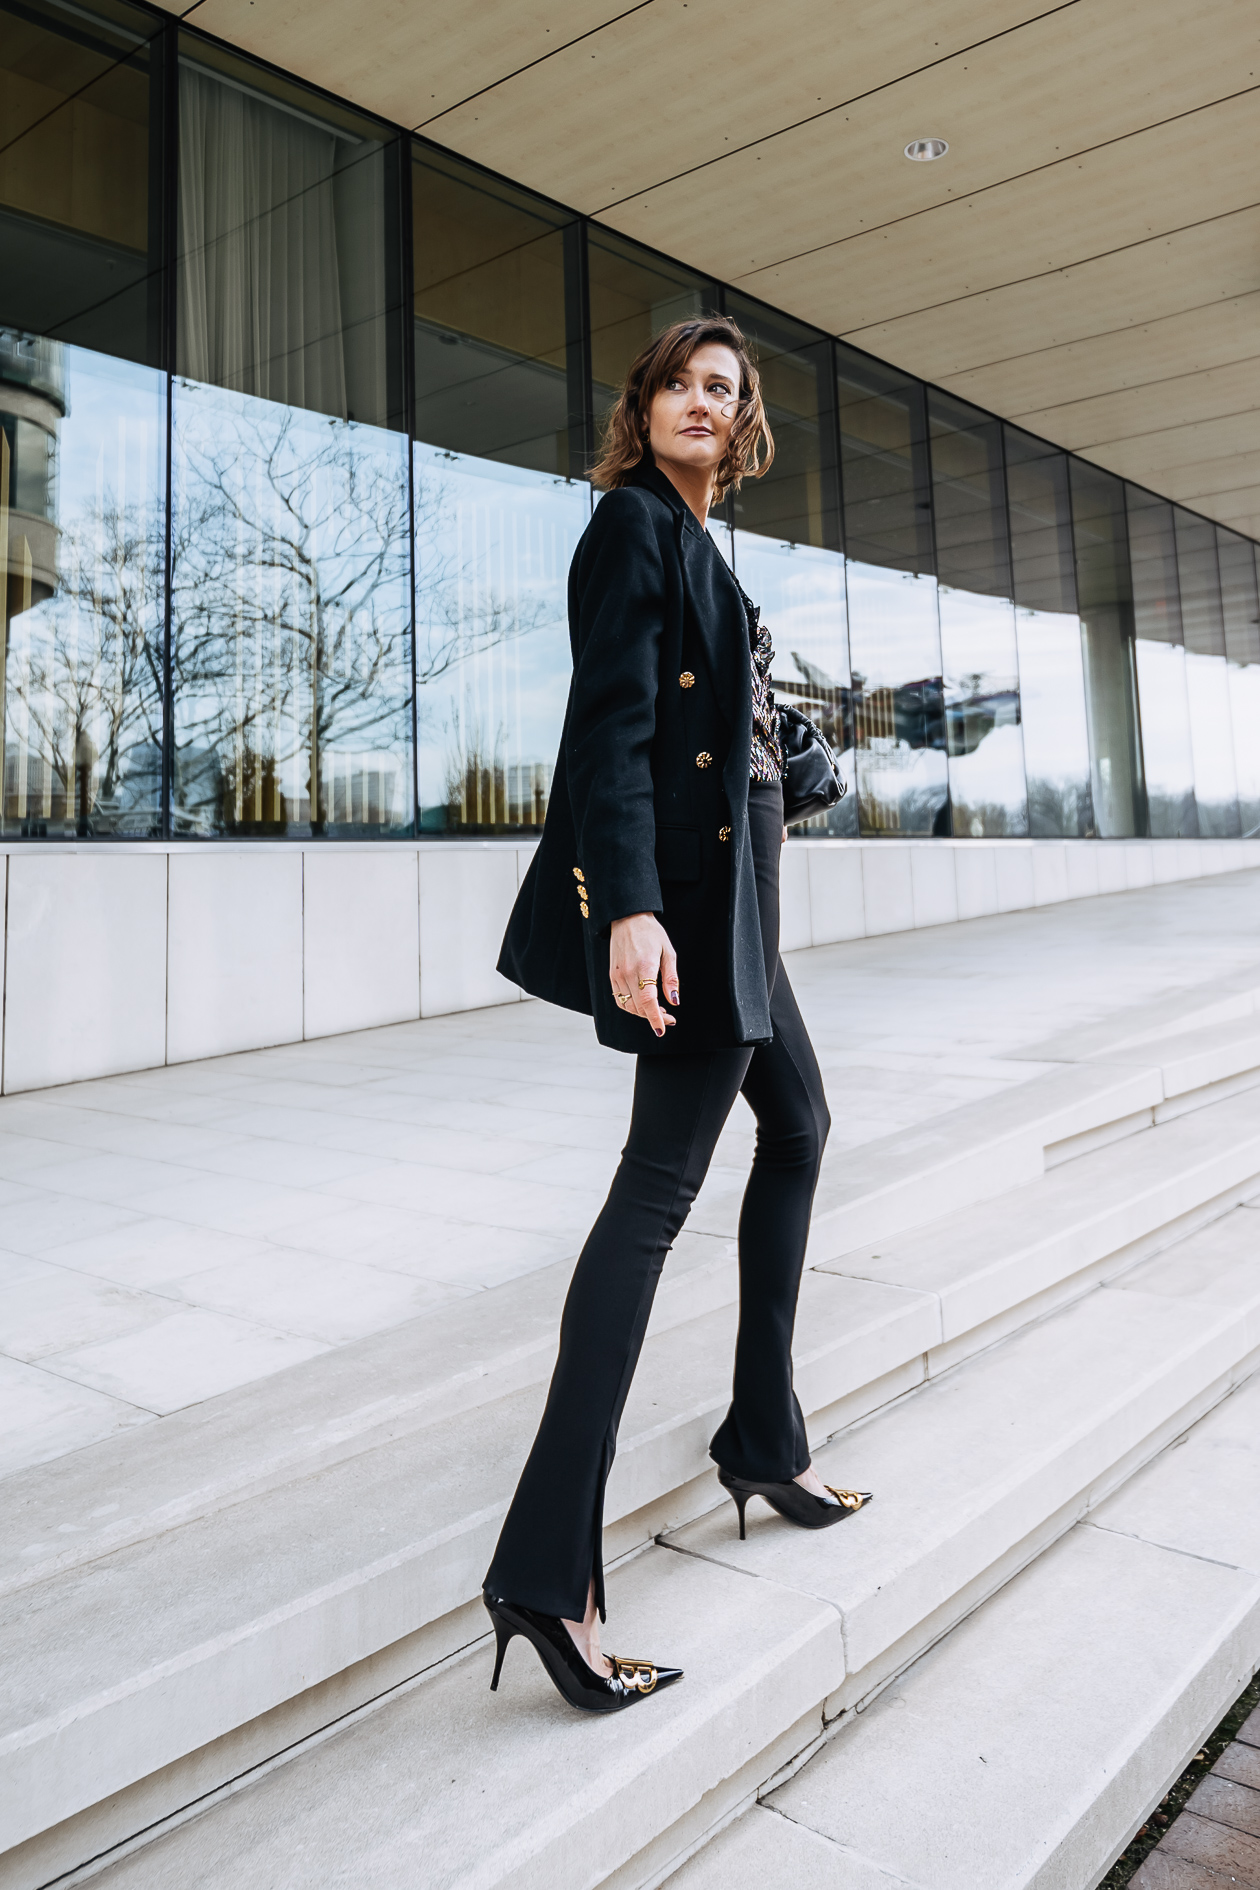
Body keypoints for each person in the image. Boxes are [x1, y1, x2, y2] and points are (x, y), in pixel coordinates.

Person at [483, 315, 871, 1716]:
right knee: (653, 1196)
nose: (704, 401)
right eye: (683, 382)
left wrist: (790, 757)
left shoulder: (700, 547)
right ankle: (548, 1568)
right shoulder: (631, 529)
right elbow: (610, 731)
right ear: (642, 403)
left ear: (746, 426)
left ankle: (762, 1432)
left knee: (804, 1123)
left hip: (737, 906)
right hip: (692, 918)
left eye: (728, 390)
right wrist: (628, 908)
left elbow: (727, 729)